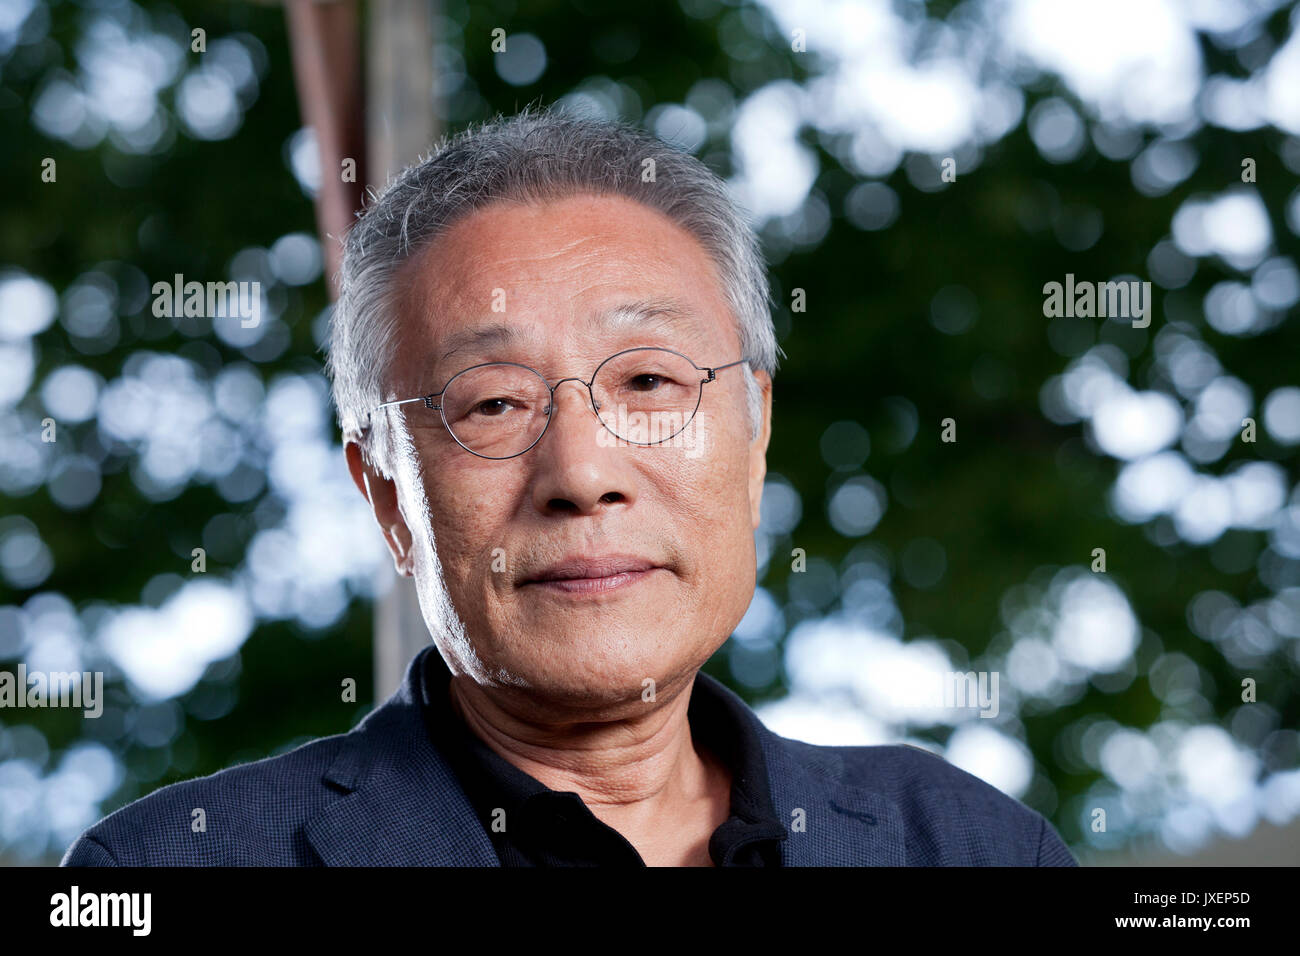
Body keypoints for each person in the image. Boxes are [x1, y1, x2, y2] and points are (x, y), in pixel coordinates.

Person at [63, 105, 1077, 867]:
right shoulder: (171, 867)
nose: (582, 473)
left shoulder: (967, 845)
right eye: (494, 402)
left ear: (756, 426)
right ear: (385, 495)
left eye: (648, 381)